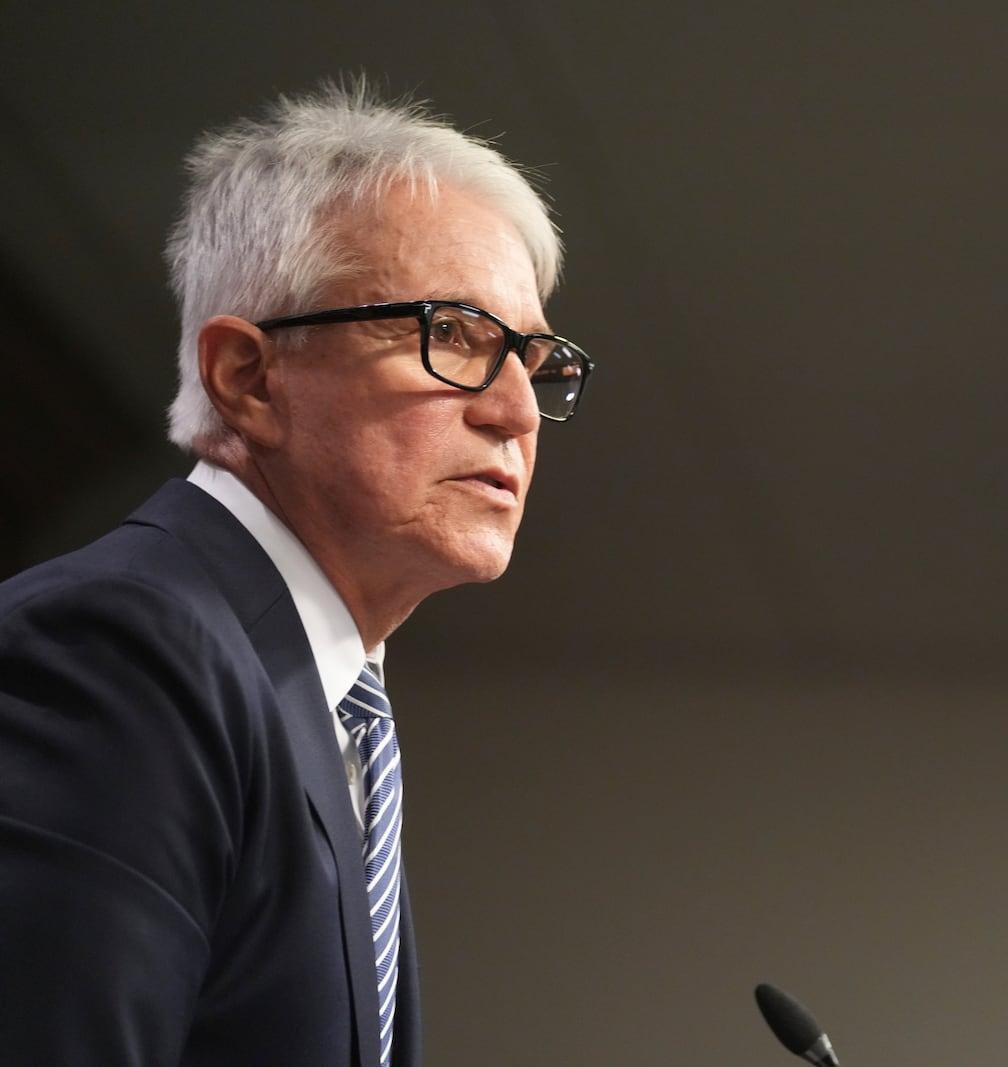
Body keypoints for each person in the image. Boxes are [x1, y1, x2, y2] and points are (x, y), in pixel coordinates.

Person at [0, 79, 592, 1066]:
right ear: (246, 376)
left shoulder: (327, 705)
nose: (518, 413)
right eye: (453, 334)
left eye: (534, 361)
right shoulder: (121, 649)